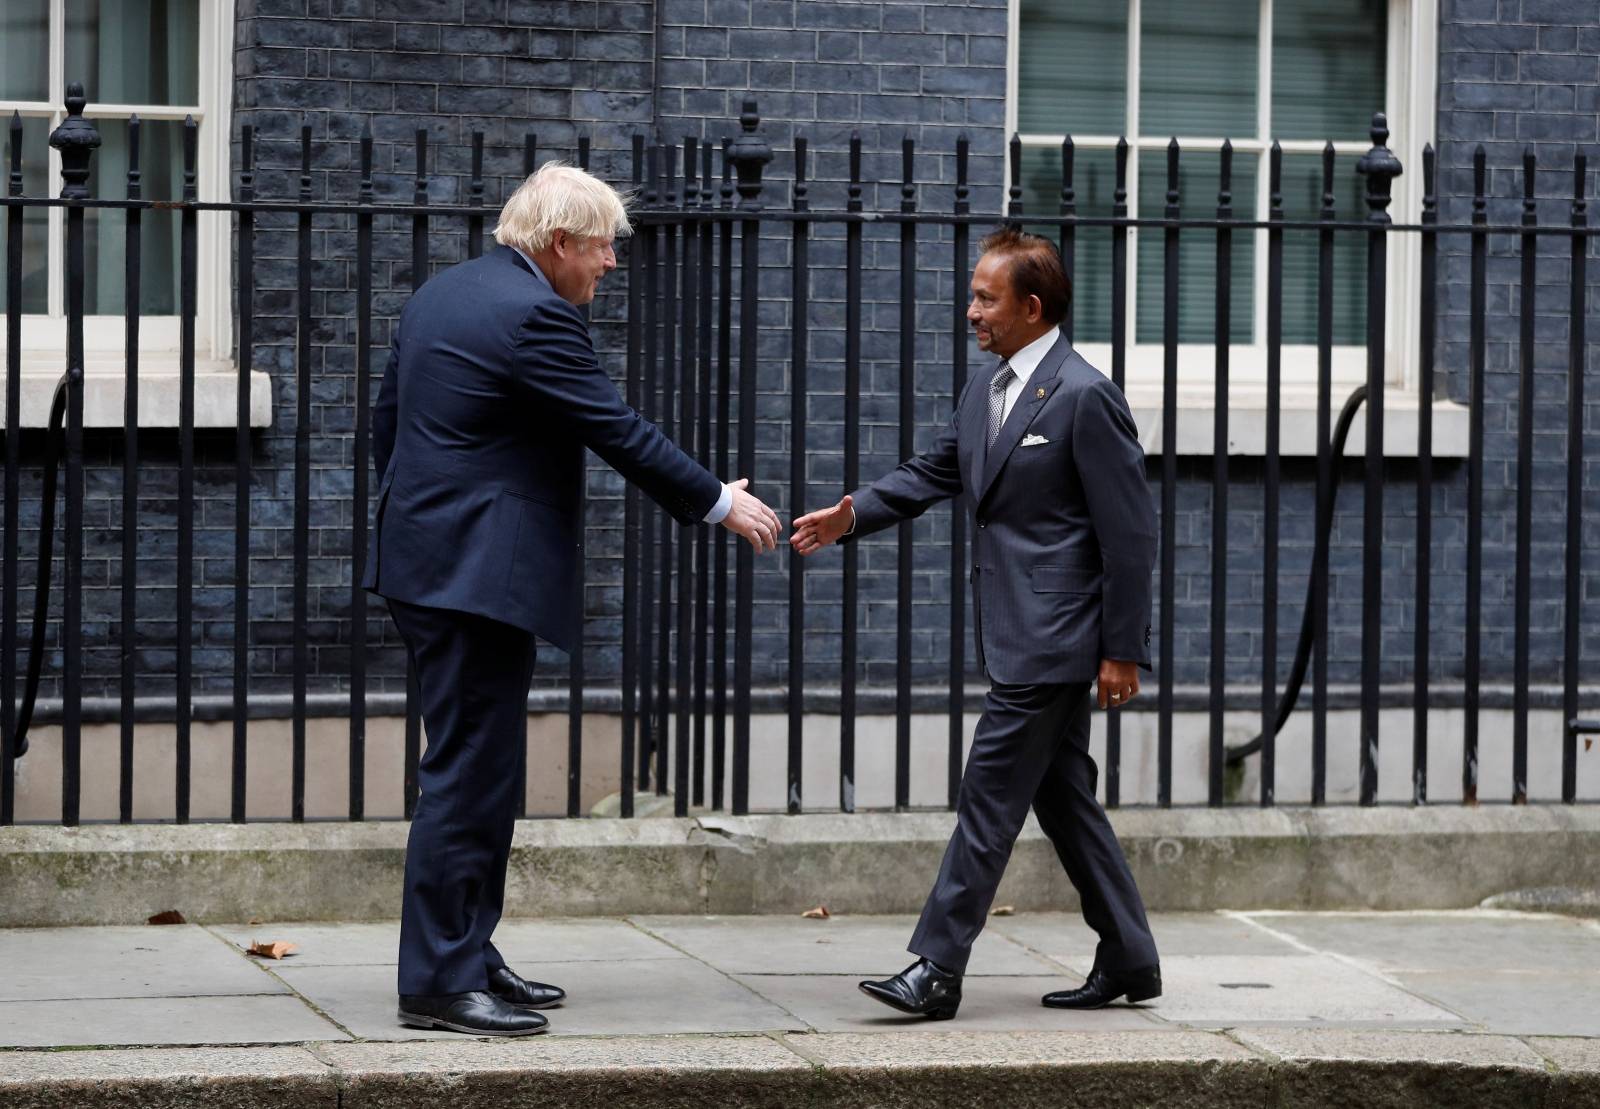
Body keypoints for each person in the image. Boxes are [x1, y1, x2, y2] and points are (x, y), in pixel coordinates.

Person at [365, 161, 783, 1036]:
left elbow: (384, 429)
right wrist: (719, 500)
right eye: (602, 248)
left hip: (434, 564)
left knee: (484, 770)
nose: (610, 265)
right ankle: (439, 979)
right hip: (473, 576)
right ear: (559, 244)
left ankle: (470, 953)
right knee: (467, 774)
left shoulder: (443, 293)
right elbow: (616, 428)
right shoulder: (533, 315)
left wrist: (428, 517)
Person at [791, 226, 1160, 1020]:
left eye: (986, 298)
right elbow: (935, 470)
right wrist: (851, 516)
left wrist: (1122, 649)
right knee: (1063, 799)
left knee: (989, 796)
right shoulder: (987, 390)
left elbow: (1130, 535)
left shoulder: (1085, 395)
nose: (971, 312)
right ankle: (1129, 955)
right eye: (973, 296)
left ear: (1032, 306)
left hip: (1056, 637)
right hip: (1022, 631)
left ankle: (937, 968)